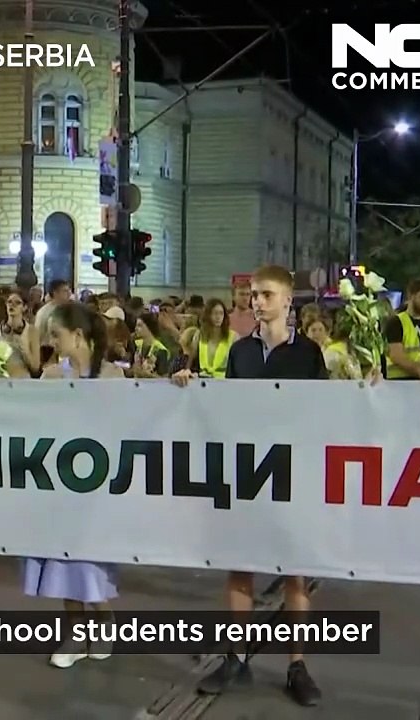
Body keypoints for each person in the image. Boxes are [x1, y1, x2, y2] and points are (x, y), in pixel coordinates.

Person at [171, 264, 329, 707]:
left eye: (266, 294)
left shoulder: (309, 354)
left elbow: (330, 411)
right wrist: (192, 386)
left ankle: (297, 665)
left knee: (294, 573)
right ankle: (235, 658)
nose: (257, 301)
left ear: (287, 300)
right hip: (248, 473)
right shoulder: (240, 351)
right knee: (240, 567)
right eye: (253, 294)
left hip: (293, 473)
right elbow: (227, 407)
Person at [18, 301, 124, 668]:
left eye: (57, 335)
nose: (52, 342)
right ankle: (76, 635)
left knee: (89, 563)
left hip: (97, 488)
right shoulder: (50, 377)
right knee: (63, 562)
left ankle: (104, 620)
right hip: (59, 485)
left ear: (78, 336)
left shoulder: (112, 377)